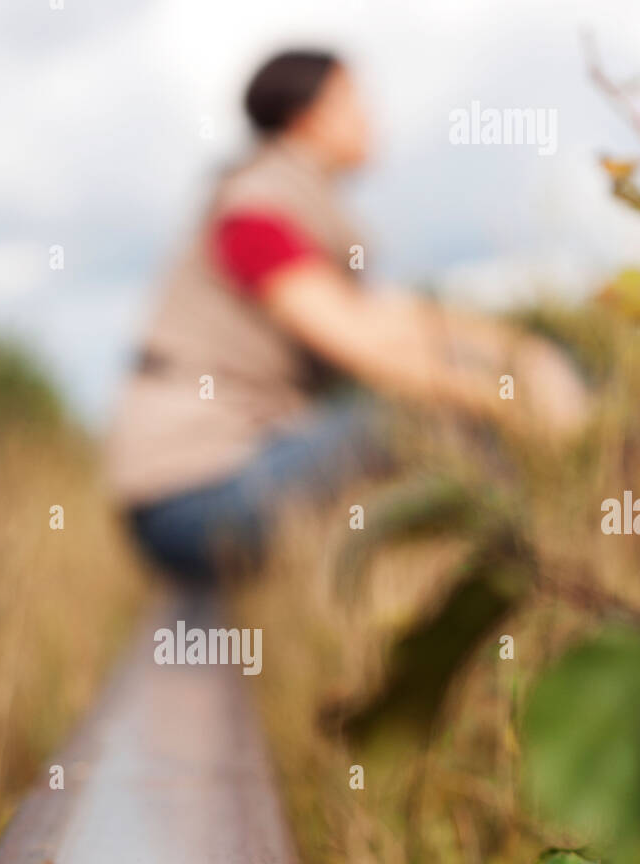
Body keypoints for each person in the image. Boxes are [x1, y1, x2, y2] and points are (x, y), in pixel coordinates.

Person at [106, 49, 589, 581]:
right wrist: (509, 407)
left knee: (437, 411)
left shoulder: (291, 203)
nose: (369, 118)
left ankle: (524, 563)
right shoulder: (256, 210)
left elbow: (392, 317)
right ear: (306, 116)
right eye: (353, 102)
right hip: (194, 503)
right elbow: (361, 341)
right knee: (414, 420)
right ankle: (540, 564)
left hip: (210, 489)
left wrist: (525, 354)